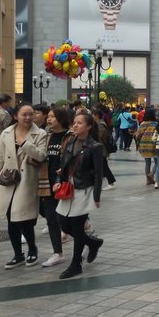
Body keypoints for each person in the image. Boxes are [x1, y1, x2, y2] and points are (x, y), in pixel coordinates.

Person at [0, 103, 48, 268]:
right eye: (24, 114)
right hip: (8, 180)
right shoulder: (6, 133)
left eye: (31, 114)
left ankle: (32, 249)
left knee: (24, 219)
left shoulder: (40, 133)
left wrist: (25, 144)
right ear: (15, 116)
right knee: (11, 219)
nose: (28, 118)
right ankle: (18, 255)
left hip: (27, 181)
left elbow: (41, 156)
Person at [53, 112, 104, 279]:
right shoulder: (70, 142)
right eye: (74, 122)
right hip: (68, 187)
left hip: (84, 189)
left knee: (76, 225)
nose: (75, 125)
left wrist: (96, 196)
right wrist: (59, 179)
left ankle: (76, 264)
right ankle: (92, 242)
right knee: (64, 224)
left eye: (79, 123)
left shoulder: (95, 146)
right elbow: (64, 165)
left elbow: (98, 173)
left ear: (89, 126)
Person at [41, 107, 71, 267]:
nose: (49, 119)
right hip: (48, 183)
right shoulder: (48, 136)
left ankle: (89, 242)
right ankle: (57, 253)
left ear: (61, 118)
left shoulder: (70, 137)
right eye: (49, 116)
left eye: (52, 117)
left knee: (68, 220)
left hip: (65, 184)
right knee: (52, 219)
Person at [92, 108, 116, 190]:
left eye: (93, 115)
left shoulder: (100, 124)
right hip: (100, 147)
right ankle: (109, 181)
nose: (92, 116)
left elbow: (100, 136)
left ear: (97, 116)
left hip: (101, 148)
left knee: (104, 166)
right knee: (103, 165)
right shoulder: (99, 123)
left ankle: (111, 182)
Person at [135, 108, 158, 185]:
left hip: (144, 144)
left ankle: (148, 180)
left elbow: (138, 136)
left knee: (147, 163)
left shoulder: (142, 124)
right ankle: (151, 174)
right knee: (158, 162)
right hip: (154, 144)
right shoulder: (156, 123)